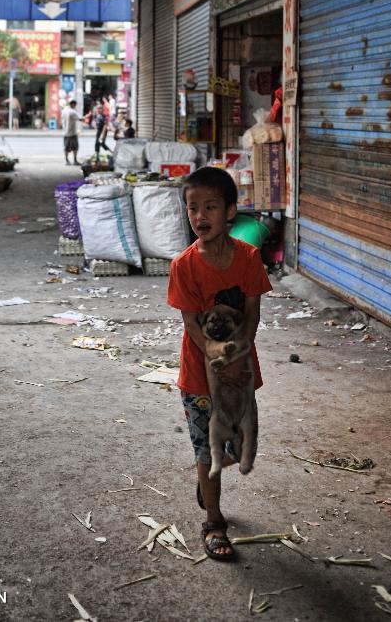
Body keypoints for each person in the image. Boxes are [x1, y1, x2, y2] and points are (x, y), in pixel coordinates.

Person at [167, 167, 271, 562]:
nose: (200, 216)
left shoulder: (248, 259)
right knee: (208, 452)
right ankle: (213, 521)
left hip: (240, 374)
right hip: (199, 378)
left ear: (230, 211)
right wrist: (213, 357)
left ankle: (208, 474)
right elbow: (191, 322)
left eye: (210, 207)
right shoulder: (184, 265)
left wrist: (237, 353)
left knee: (239, 444)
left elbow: (252, 314)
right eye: (192, 208)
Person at [61, 99, 80, 165]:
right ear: (73, 104)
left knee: (66, 147)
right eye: (75, 105)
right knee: (75, 147)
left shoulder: (63, 111)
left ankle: (66, 160)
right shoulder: (72, 112)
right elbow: (80, 119)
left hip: (65, 133)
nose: (75, 106)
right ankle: (75, 160)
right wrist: (89, 115)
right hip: (72, 132)